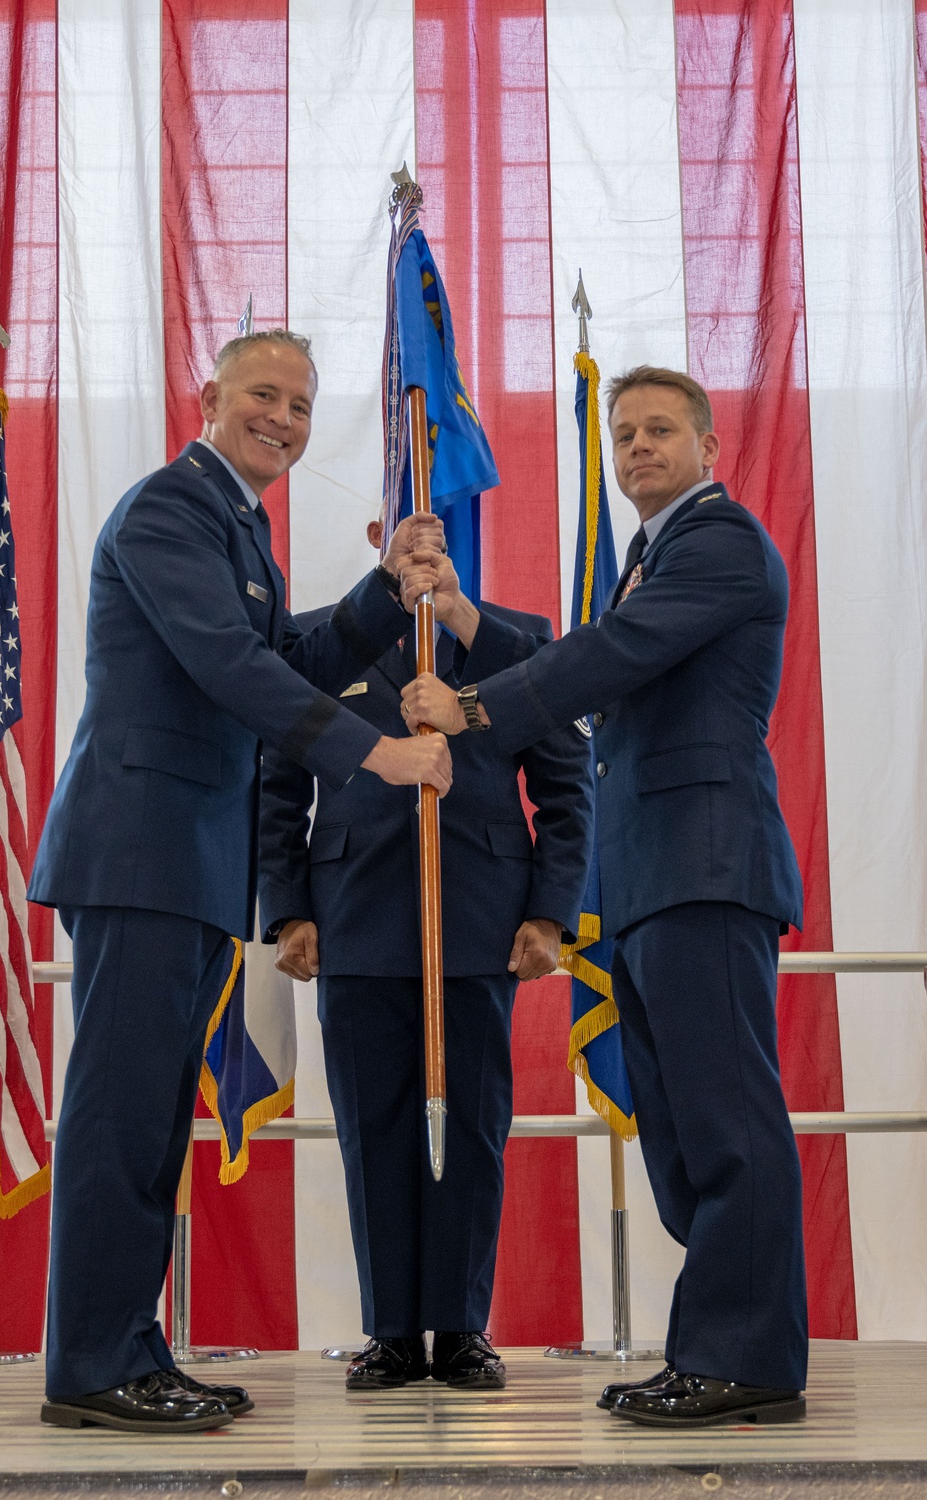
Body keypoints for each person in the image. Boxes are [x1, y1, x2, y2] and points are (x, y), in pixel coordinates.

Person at [28, 330, 452, 1433]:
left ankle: (129, 1349)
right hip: (142, 851)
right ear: (209, 396)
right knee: (124, 1119)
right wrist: (377, 753)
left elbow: (287, 657)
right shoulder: (172, 507)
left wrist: (379, 589)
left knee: (155, 1121)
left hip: (188, 864)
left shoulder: (236, 526)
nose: (285, 418)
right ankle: (90, 1365)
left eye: (302, 405)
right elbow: (230, 664)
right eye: (264, 394)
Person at [401, 367, 808, 1429]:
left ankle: (747, 1359)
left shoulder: (716, 542)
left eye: (659, 430)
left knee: (724, 1124)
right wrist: (460, 616)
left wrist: (472, 703)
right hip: (650, 878)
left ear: (709, 448)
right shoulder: (650, 558)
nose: (634, 446)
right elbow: (583, 655)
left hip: (706, 868)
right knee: (677, 1133)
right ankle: (713, 1346)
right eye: (623, 432)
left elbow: (610, 654)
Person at [257, 515, 594, 1392]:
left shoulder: (518, 645)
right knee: (376, 1129)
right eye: (407, 542)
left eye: (435, 543)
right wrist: (288, 907)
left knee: (473, 1128)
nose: (421, 558)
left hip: (482, 922)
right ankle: (394, 1333)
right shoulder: (327, 642)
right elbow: (279, 780)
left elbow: (567, 791)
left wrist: (551, 916)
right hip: (355, 918)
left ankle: (462, 1326)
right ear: (380, 543)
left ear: (454, 553)